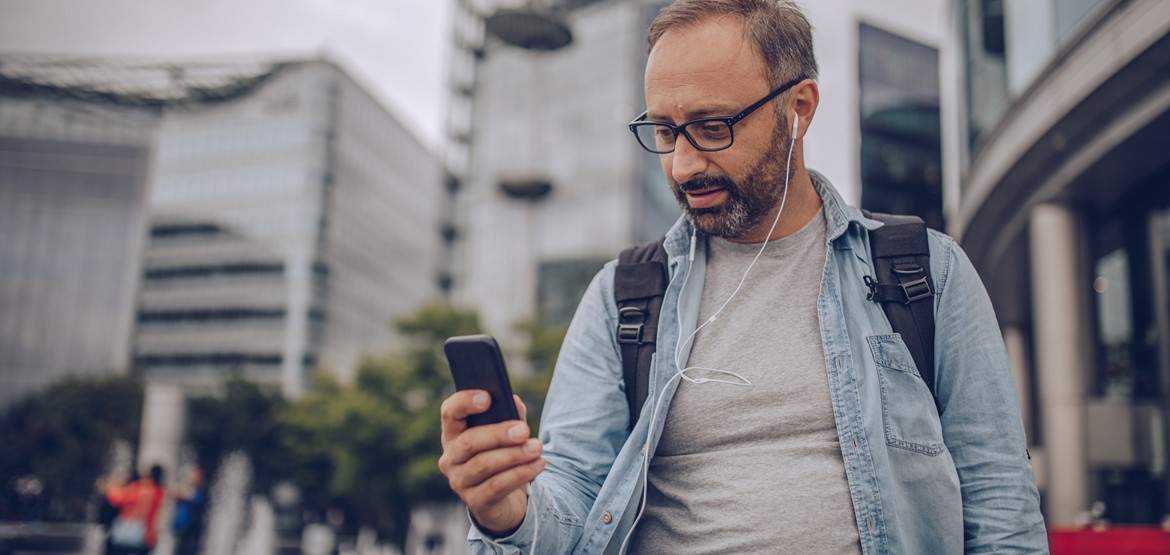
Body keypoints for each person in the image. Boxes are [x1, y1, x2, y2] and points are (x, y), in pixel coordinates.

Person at [438, 0, 1048, 553]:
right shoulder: (622, 297)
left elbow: (1001, 513)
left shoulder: (924, 271)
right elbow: (573, 494)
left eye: (712, 126)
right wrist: (507, 511)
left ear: (799, 108)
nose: (682, 164)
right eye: (665, 130)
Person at [104, 464, 165, 555]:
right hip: (148, 534)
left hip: (129, 531)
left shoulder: (139, 488)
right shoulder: (159, 492)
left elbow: (117, 499)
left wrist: (111, 486)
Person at [171, 464, 208, 555]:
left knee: (187, 550)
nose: (191, 477)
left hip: (191, 527)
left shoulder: (202, 490)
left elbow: (196, 501)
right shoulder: (191, 489)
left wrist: (183, 495)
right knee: (178, 549)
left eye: (194, 475)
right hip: (182, 526)